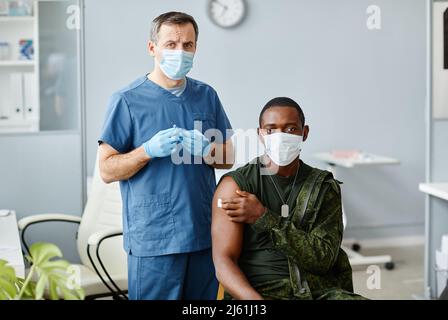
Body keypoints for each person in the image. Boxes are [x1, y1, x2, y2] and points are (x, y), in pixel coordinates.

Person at [98, 11, 234, 300]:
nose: (180, 51)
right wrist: (146, 151)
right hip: (154, 240)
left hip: (202, 234)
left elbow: (229, 156)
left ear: (196, 47)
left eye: (188, 45)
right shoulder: (127, 100)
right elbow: (107, 170)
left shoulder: (207, 95)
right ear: (152, 48)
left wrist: (209, 149)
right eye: (170, 44)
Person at [212, 97, 365, 300]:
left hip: (317, 290)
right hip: (261, 291)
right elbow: (224, 262)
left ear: (305, 132)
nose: (280, 136)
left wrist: (264, 217)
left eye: (291, 129)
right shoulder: (236, 186)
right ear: (260, 134)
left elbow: (323, 259)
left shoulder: (322, 186)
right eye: (271, 129)